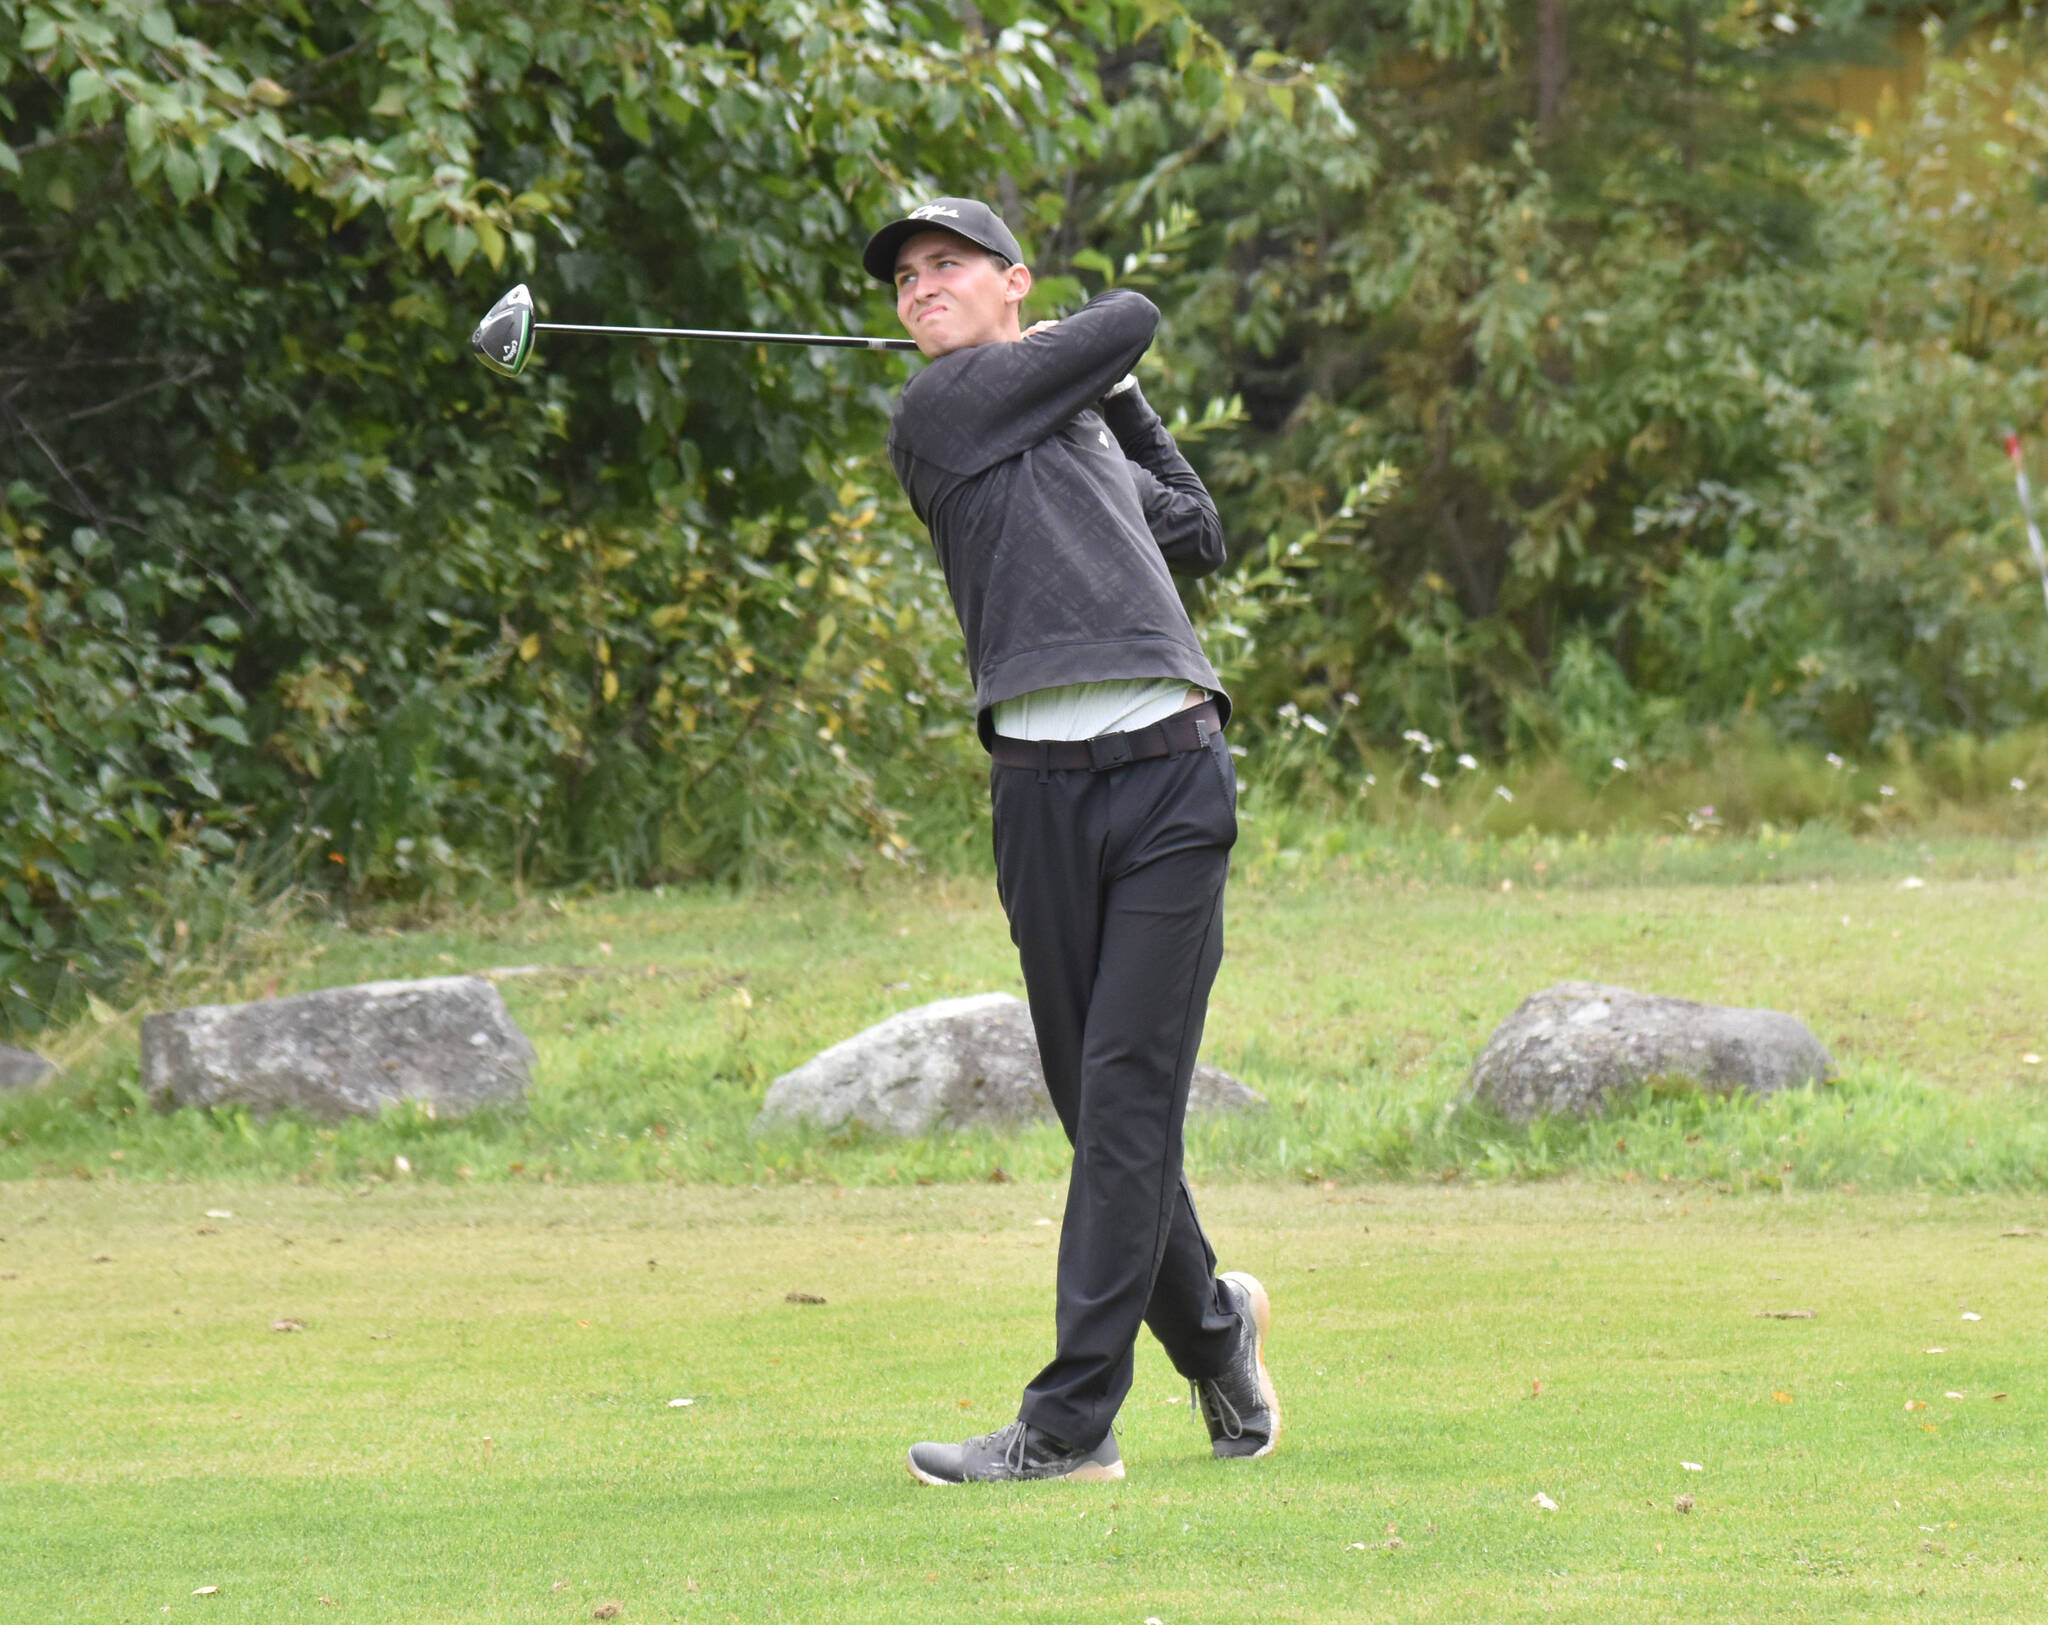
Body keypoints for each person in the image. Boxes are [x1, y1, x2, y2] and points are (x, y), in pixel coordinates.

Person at [861, 197, 1280, 1484]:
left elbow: (1194, 527)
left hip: (1169, 777)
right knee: (1100, 1110)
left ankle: (1068, 1428)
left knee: (1128, 1102)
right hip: (1039, 793)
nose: (920, 285)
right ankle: (1217, 1337)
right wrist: (1088, 360)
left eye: (948, 265)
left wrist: (1114, 401)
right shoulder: (937, 415)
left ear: (1012, 282)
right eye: (905, 277)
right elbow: (1132, 315)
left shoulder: (1070, 426)